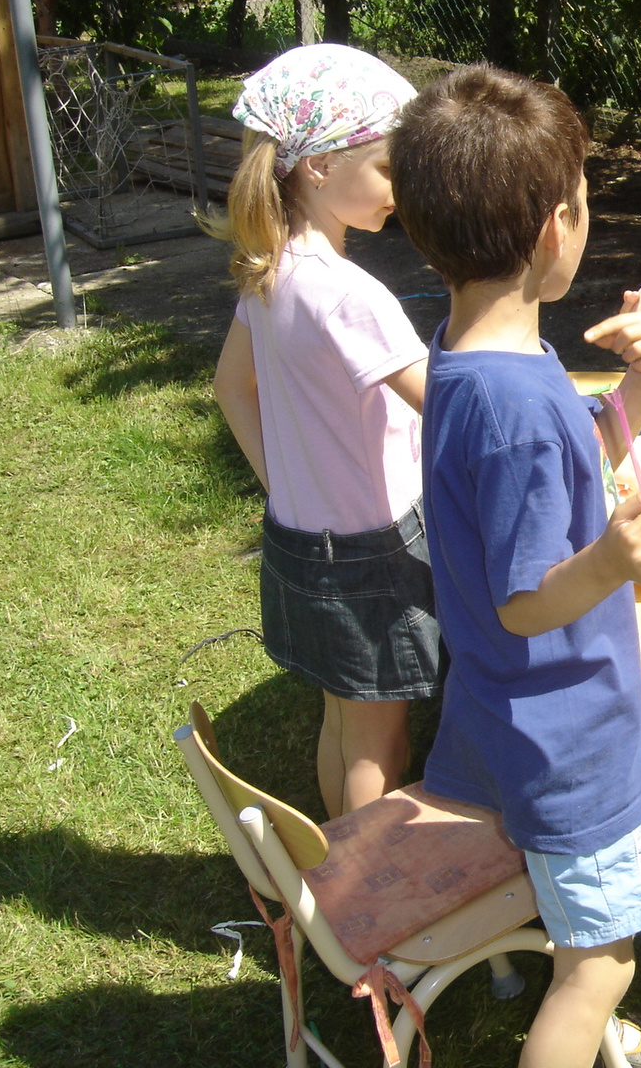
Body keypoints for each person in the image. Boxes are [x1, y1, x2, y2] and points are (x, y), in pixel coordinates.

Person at [389, 63, 641, 1068]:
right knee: (596, 967)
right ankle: (584, 1035)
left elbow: (559, 482)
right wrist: (612, 561)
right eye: (582, 200)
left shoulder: (476, 362)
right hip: (564, 729)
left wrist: (637, 394)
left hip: (514, 707)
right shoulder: (516, 403)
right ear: (552, 228)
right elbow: (524, 600)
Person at [209, 45, 439, 820]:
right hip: (374, 552)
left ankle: (338, 878)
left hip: (302, 542)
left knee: (343, 718)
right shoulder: (349, 294)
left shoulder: (270, 270)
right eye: (385, 169)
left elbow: (228, 388)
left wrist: (284, 483)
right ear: (315, 166)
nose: (399, 193)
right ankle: (365, 905)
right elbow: (444, 406)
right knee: (381, 742)